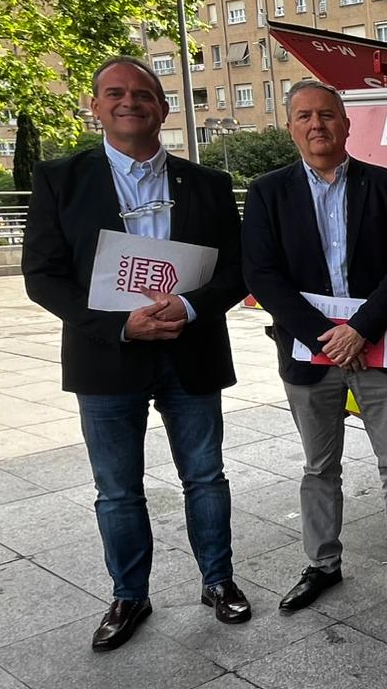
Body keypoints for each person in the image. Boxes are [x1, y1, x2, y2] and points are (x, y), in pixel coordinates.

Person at [23, 56, 250, 651]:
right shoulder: (59, 180)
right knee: (117, 488)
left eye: (143, 94)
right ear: (95, 107)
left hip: (191, 351)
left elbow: (237, 271)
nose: (130, 102)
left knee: (205, 476)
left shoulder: (208, 185)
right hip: (106, 359)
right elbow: (43, 278)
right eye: (115, 93)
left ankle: (218, 581)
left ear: (163, 108)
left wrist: (193, 308)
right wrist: (121, 325)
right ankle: (129, 595)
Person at [242, 78, 387, 611]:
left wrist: (361, 329)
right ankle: (323, 563)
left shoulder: (386, 185)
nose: (317, 125)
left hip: (377, 346)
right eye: (304, 116)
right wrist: (324, 336)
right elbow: (260, 272)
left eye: (327, 115)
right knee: (319, 467)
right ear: (290, 128)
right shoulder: (267, 192)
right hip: (308, 353)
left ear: (347, 125)